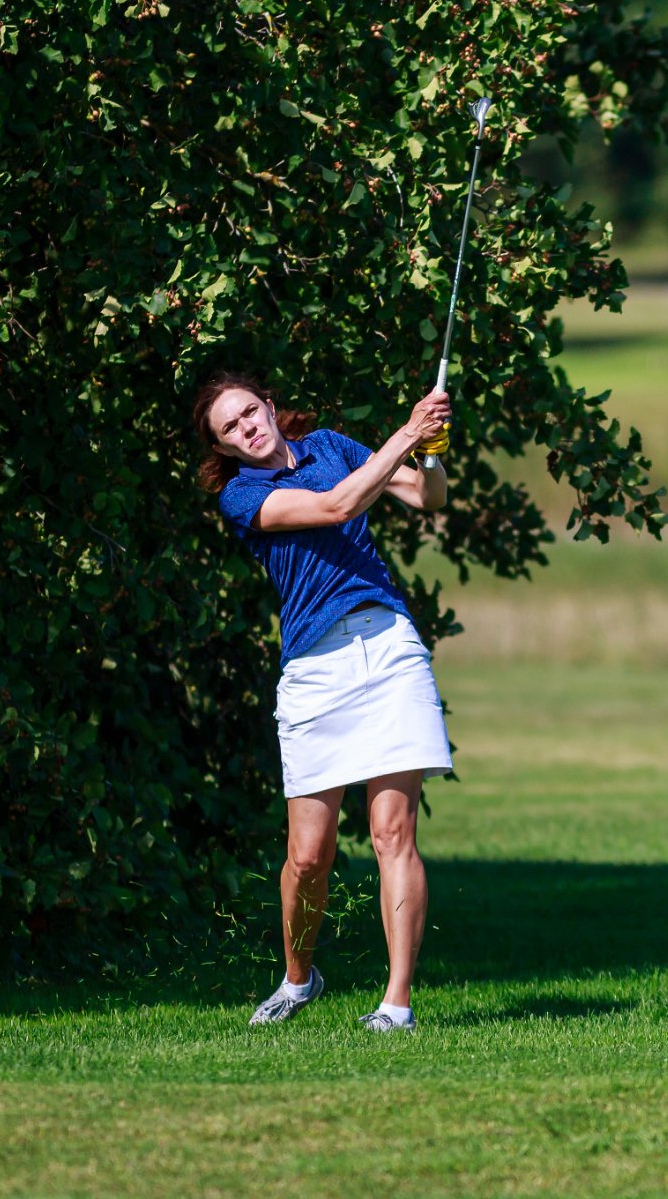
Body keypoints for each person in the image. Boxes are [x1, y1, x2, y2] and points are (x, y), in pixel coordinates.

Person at [192, 370, 454, 1033]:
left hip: (388, 645)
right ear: (224, 448)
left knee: (394, 832)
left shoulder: (332, 445)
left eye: (251, 411)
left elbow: (427, 497)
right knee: (309, 855)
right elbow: (338, 507)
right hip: (315, 670)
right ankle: (299, 977)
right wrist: (406, 432)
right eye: (232, 427)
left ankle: (396, 1005)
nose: (248, 427)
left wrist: (432, 444)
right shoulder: (246, 496)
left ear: (271, 407)